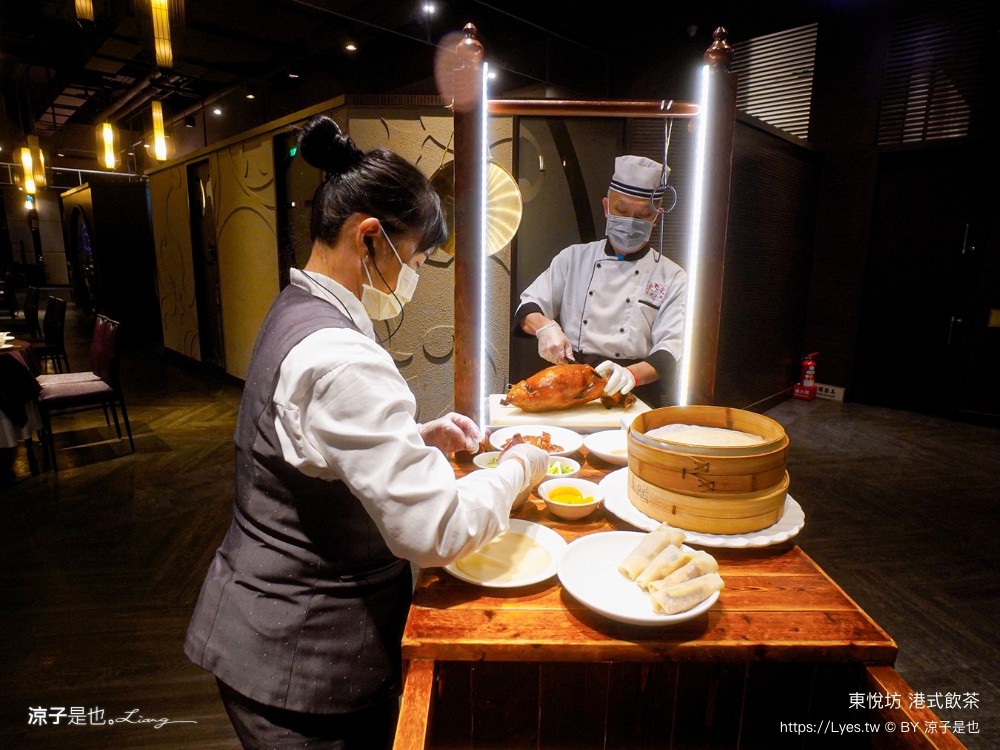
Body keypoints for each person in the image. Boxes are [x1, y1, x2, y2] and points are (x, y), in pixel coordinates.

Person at [184, 114, 548, 750]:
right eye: (412, 258)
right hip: (302, 659)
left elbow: (316, 448)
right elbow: (436, 532)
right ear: (371, 237)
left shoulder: (296, 307)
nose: (410, 275)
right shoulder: (343, 356)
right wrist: (521, 468)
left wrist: (415, 438)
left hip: (262, 625)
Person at [514, 155, 686, 408]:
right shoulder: (573, 258)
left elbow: (669, 351)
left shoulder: (671, 276)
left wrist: (629, 375)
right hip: (572, 384)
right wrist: (544, 328)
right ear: (606, 207)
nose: (630, 221)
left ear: (656, 217)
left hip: (635, 391)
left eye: (643, 214)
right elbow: (528, 306)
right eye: (622, 210)